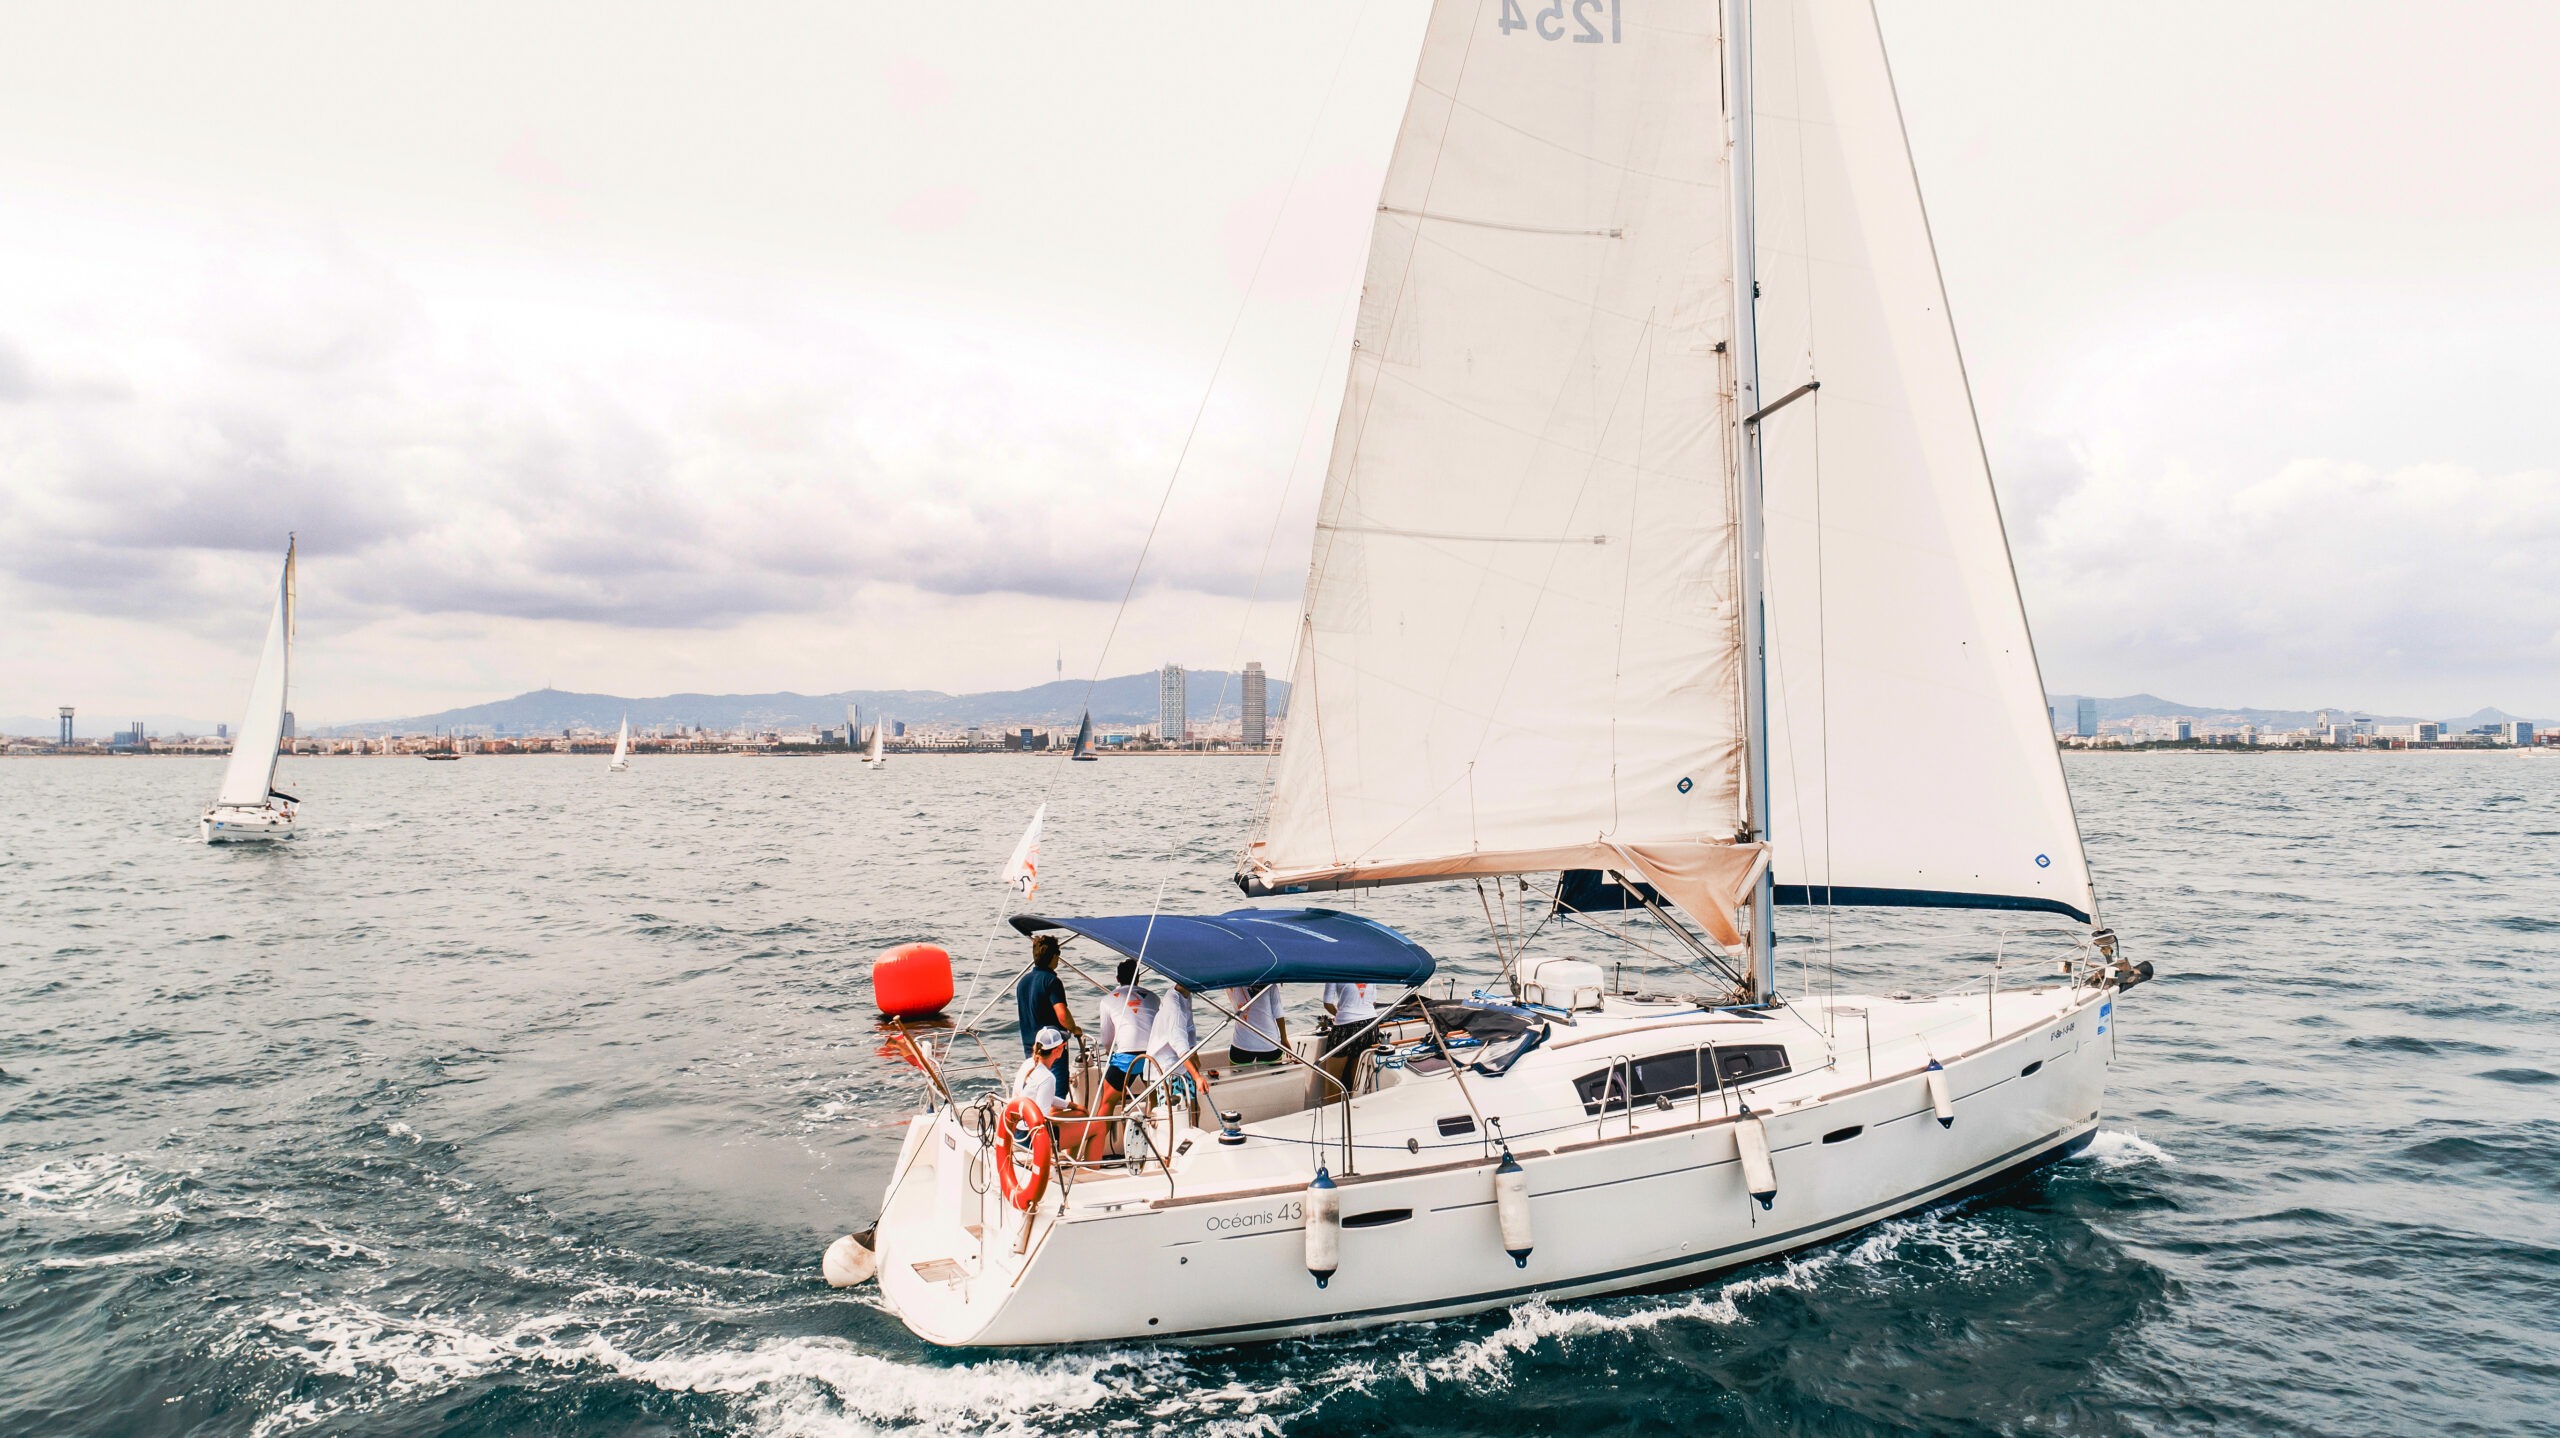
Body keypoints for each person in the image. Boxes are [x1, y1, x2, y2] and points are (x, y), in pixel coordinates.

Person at [1084, 959, 1160, 1161]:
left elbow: (1107, 1038)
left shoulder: (1108, 1000)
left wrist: (1110, 1055)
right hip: (1151, 1056)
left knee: (1107, 1103)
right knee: (1154, 1101)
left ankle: (1094, 1157)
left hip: (1125, 1057)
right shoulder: (1153, 997)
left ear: (1117, 979)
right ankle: (1156, 1149)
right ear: (1139, 977)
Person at [1013, 934, 1083, 1101]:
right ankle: (1053, 1126)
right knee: (1056, 1092)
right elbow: (1061, 1014)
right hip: (1051, 1047)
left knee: (1036, 1090)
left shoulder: (1023, 982)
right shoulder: (1051, 981)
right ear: (1053, 956)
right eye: (1058, 952)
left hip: (1031, 1047)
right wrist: (1074, 1029)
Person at [1144, 982, 1214, 1125]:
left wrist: (1195, 1055)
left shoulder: (1185, 995)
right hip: (1165, 1067)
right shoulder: (1174, 1006)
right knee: (1169, 1113)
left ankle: (1194, 1137)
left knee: (1194, 1108)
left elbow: (1189, 1028)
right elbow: (1179, 1044)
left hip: (1180, 1063)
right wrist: (1197, 1077)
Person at [1320, 977, 1383, 1087]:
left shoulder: (1334, 969)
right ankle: (1353, 1101)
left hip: (1345, 1027)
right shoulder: (1371, 969)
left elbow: (1327, 1003)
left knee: (1333, 1081)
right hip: (1370, 1025)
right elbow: (1373, 1002)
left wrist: (1339, 1015)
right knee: (1356, 1078)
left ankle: (1333, 1103)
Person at [1225, 982, 1288, 1068]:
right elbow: (1278, 1013)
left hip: (1242, 1044)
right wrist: (1284, 1039)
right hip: (1269, 1044)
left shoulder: (1231, 984)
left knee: (1239, 1079)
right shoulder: (1270, 984)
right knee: (1273, 1080)